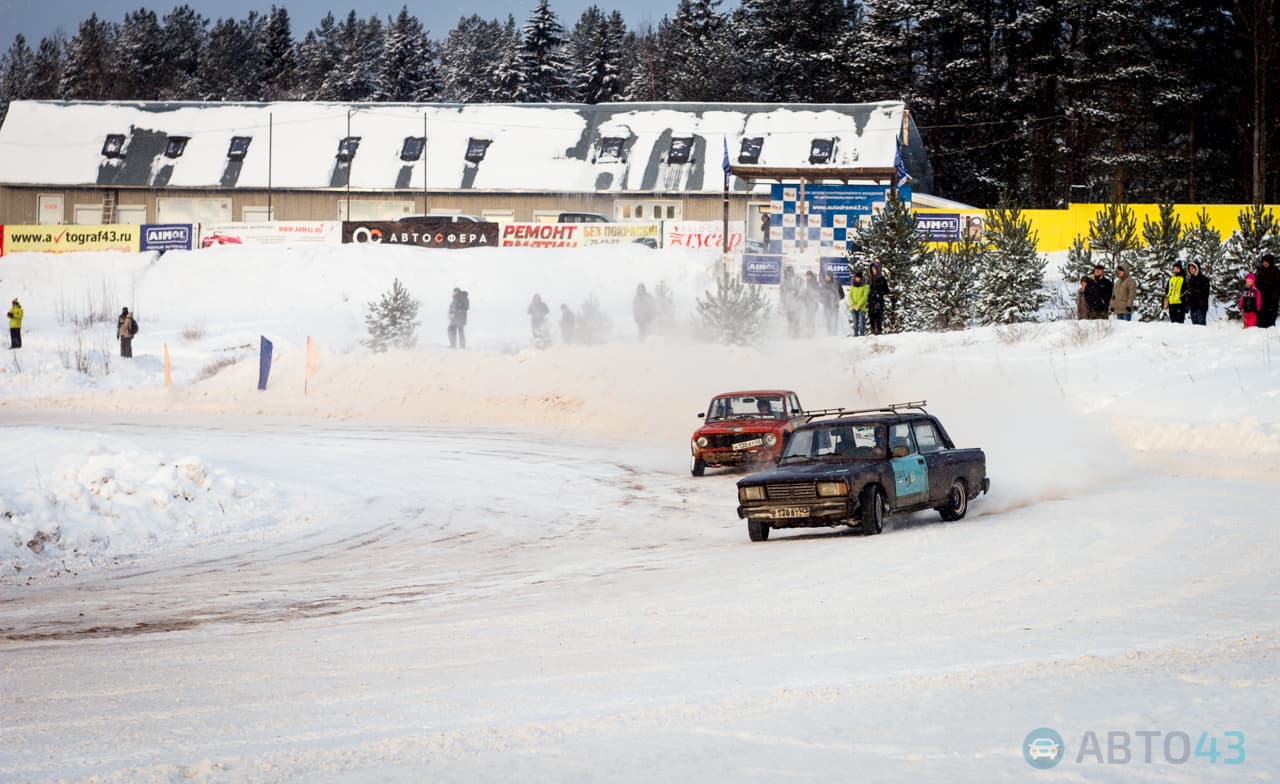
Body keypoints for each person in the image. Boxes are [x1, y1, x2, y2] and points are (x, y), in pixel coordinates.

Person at [1256, 253, 1280, 328]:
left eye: (1266, 262)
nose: (1265, 263)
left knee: (1270, 316)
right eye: (1264, 262)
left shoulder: (1276, 272)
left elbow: (1278, 285)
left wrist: (1275, 295)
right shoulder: (1261, 271)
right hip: (1262, 297)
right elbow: (1257, 282)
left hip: (1272, 298)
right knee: (1261, 314)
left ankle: (1270, 327)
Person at [867, 261, 890, 335]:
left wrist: (879, 293)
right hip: (871, 301)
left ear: (877, 269)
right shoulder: (870, 279)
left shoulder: (882, 278)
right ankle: (873, 330)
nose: (873, 270)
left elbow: (886, 290)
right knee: (872, 316)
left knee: (878, 317)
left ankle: (879, 331)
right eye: (872, 269)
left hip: (878, 301)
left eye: (875, 268)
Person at [779, 266, 803, 337]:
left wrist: (798, 294)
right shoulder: (784, 281)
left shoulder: (798, 280)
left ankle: (796, 334)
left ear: (792, 272)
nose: (788, 274)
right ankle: (790, 333)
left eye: (789, 272)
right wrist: (782, 301)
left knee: (796, 320)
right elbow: (782, 293)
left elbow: (802, 290)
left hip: (796, 304)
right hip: (788, 304)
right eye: (786, 272)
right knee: (789, 320)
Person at [819, 270, 845, 335]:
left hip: (835, 306)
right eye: (826, 276)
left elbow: (842, 295)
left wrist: (836, 300)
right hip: (827, 306)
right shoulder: (823, 286)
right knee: (828, 320)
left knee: (834, 320)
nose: (827, 277)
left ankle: (834, 333)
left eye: (828, 276)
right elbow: (819, 296)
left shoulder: (837, 285)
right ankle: (829, 333)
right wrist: (823, 301)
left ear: (831, 276)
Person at [847, 271, 869, 337]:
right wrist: (853, 304)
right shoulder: (852, 286)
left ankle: (862, 334)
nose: (857, 279)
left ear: (861, 278)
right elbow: (849, 296)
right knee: (855, 322)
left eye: (859, 278)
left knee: (862, 322)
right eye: (856, 277)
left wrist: (858, 305)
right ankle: (855, 334)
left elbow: (864, 296)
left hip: (861, 307)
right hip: (853, 307)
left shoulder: (865, 286)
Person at [802, 270, 820, 336]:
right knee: (808, 317)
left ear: (811, 276)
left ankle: (811, 332)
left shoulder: (815, 283)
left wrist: (812, 298)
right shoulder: (807, 282)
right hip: (808, 303)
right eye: (806, 276)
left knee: (811, 318)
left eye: (808, 276)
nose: (807, 277)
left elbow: (816, 293)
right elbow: (807, 292)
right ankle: (809, 331)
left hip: (813, 303)